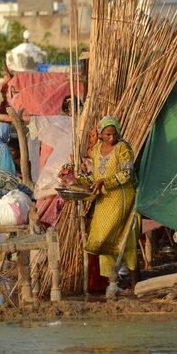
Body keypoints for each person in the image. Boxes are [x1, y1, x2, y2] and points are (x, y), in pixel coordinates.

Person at [76, 116, 140, 297]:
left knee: (124, 238)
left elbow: (127, 174)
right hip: (103, 200)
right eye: (107, 134)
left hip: (122, 198)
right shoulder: (96, 150)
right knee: (103, 240)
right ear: (101, 135)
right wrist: (77, 179)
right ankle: (113, 284)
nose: (112, 137)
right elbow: (94, 176)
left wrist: (104, 181)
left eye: (114, 134)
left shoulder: (123, 148)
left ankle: (135, 284)